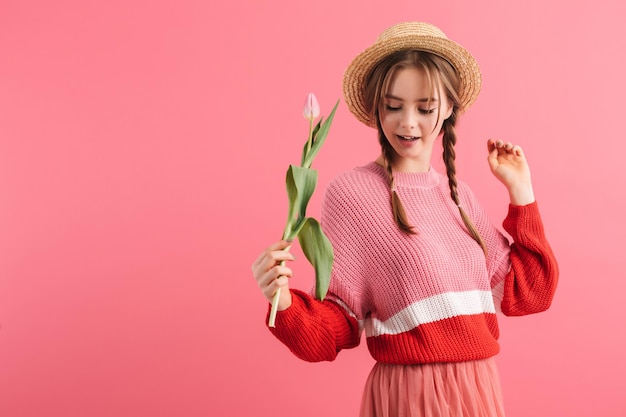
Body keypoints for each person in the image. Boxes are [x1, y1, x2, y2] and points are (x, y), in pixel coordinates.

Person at [251, 21, 558, 417]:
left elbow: (528, 294)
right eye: (393, 107)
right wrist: (282, 301)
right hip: (409, 395)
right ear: (377, 108)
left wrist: (522, 192)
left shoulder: (460, 196)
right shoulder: (353, 194)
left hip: (479, 389)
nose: (407, 122)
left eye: (425, 108)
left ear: (448, 108)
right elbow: (337, 324)